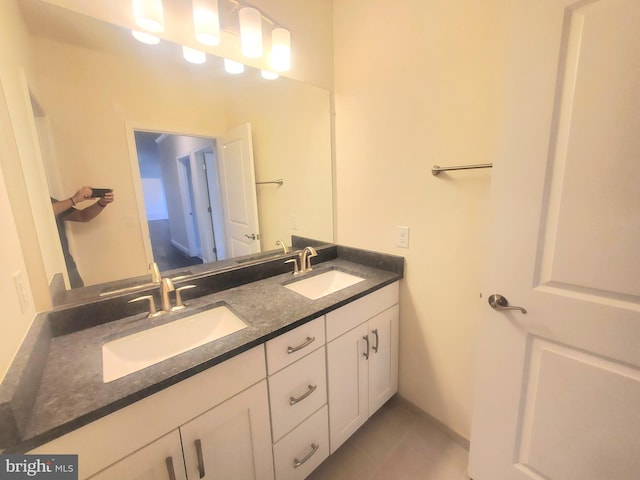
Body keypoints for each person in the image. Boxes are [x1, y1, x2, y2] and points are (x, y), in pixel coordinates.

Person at [51, 186, 114, 288]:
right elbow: (44, 213)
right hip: (49, 271)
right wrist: (74, 199)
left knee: (82, 300)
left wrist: (102, 203)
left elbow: (83, 216)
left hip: (68, 264)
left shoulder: (48, 201)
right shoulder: (36, 206)